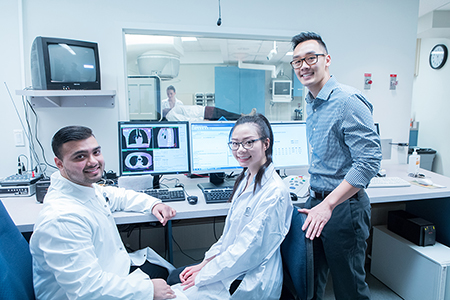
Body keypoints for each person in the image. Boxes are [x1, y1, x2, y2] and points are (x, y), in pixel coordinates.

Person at [29, 126, 177, 300]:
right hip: (92, 293)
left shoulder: (82, 186)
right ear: (59, 163)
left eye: (96, 152)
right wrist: (148, 290)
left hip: (111, 275)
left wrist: (153, 204)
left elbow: (115, 195)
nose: (93, 161)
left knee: (171, 276)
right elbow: (87, 290)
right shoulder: (62, 219)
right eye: (80, 156)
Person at [291, 32, 382, 300]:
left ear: (327, 59)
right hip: (316, 202)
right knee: (310, 281)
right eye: (297, 61)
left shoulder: (347, 101)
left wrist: (328, 204)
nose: (304, 66)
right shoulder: (312, 102)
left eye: (311, 58)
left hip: (343, 208)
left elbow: (368, 163)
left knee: (349, 288)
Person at [169, 114, 293, 299]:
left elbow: (246, 251)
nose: (240, 150)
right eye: (235, 143)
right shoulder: (246, 177)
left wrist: (204, 274)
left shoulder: (274, 193)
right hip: (230, 268)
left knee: (175, 294)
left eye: (249, 142)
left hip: (247, 279)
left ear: (266, 144)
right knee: (172, 290)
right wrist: (204, 263)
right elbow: (229, 238)